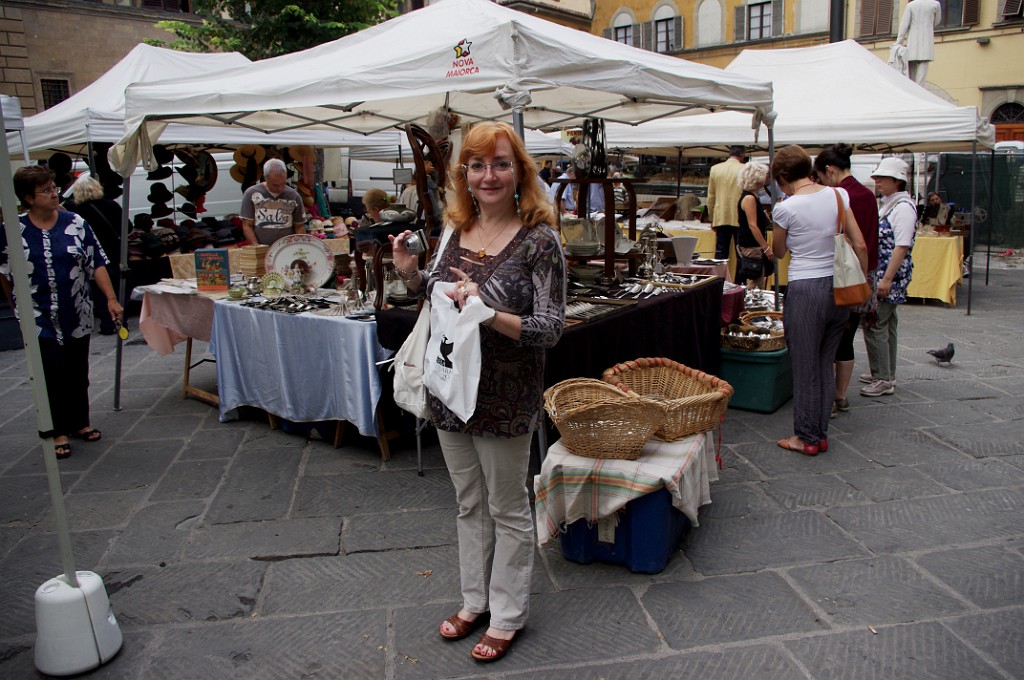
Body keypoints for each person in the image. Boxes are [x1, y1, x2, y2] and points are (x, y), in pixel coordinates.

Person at [388, 121, 566, 663]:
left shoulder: (539, 240)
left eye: (501, 164)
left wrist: (493, 315)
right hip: (449, 389)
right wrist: (414, 276)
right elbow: (437, 307)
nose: (489, 175)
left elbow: (551, 328)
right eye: (478, 165)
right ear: (464, 174)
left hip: (505, 396)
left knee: (508, 507)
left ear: (520, 173)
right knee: (469, 503)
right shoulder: (452, 228)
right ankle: (475, 600)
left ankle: (508, 614)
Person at [0, 166, 123, 460]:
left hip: (76, 309)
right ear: (28, 198)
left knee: (77, 369)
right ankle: (58, 430)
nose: (55, 193)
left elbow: (97, 262)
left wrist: (111, 299)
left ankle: (80, 421)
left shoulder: (75, 222)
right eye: (46, 190)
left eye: (54, 187)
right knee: (51, 371)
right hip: (37, 315)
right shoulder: (11, 230)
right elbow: (5, 272)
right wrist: (17, 305)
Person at [770, 146, 867, 456]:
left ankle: (807, 437)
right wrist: (858, 284)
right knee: (825, 362)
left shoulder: (785, 208)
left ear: (783, 177)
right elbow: (860, 244)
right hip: (838, 286)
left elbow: (780, 251)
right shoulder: (838, 195)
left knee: (804, 365)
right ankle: (819, 432)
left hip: (806, 287)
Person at [813, 144, 881, 416]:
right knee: (848, 337)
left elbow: (856, 243)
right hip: (866, 273)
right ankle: (841, 395)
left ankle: (829, 398)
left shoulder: (839, 196)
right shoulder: (867, 193)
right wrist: (865, 278)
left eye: (820, 176)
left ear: (829, 170)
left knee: (829, 338)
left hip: (844, 274)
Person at [861, 157, 917, 397]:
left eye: (882, 178)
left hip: (889, 275)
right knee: (887, 322)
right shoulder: (893, 204)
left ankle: (882, 376)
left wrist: (887, 279)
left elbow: (901, 246)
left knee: (875, 322)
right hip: (886, 274)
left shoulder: (902, 208)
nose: (877, 182)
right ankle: (886, 370)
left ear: (897, 181)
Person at [70, 175, 124, 336]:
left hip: (92, 255)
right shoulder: (112, 206)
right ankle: (121, 320)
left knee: (100, 291)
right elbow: (126, 227)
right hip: (114, 253)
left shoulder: (76, 212)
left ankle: (108, 323)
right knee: (117, 287)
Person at [239, 158, 307, 246]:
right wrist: (256, 246)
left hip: (286, 248)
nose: (280, 188)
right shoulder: (251, 194)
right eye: (275, 185)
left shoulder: (293, 196)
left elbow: (299, 226)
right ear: (265, 178)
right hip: (261, 249)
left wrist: (300, 247)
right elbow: (247, 225)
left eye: (283, 183)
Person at [735, 162, 774, 289]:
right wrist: (766, 247)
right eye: (765, 175)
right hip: (751, 245)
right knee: (756, 282)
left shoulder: (751, 196)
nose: (768, 177)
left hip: (750, 244)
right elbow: (753, 225)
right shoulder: (749, 198)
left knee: (756, 281)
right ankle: (751, 307)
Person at [707, 146, 746, 268]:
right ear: (743, 154)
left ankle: (720, 280)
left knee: (721, 253)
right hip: (740, 216)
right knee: (740, 253)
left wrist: (711, 217)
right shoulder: (745, 169)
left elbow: (711, 196)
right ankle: (740, 283)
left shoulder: (715, 169)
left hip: (721, 216)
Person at [896, 0, 941, 85]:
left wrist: (899, 41)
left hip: (913, 39)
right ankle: (919, 88)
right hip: (927, 39)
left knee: (912, 65)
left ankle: (914, 88)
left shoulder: (910, 5)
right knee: (924, 63)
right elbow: (937, 21)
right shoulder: (935, 4)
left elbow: (904, 25)